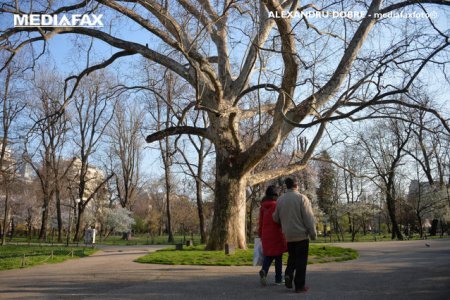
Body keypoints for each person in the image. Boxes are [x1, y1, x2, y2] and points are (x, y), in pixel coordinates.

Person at [272, 177, 317, 293]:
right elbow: (308, 218)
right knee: (301, 261)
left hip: (288, 235)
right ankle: (299, 286)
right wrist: (313, 234)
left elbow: (275, 218)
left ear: (286, 186)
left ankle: (288, 274)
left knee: (292, 258)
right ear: (296, 185)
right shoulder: (302, 198)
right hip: (301, 235)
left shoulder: (280, 200)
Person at [258, 185, 287, 286]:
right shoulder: (276, 205)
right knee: (278, 256)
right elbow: (280, 219)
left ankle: (264, 271)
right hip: (276, 233)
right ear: (275, 194)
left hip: (265, 234)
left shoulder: (262, 207)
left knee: (268, 255)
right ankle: (278, 278)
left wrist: (260, 234)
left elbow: (260, 222)